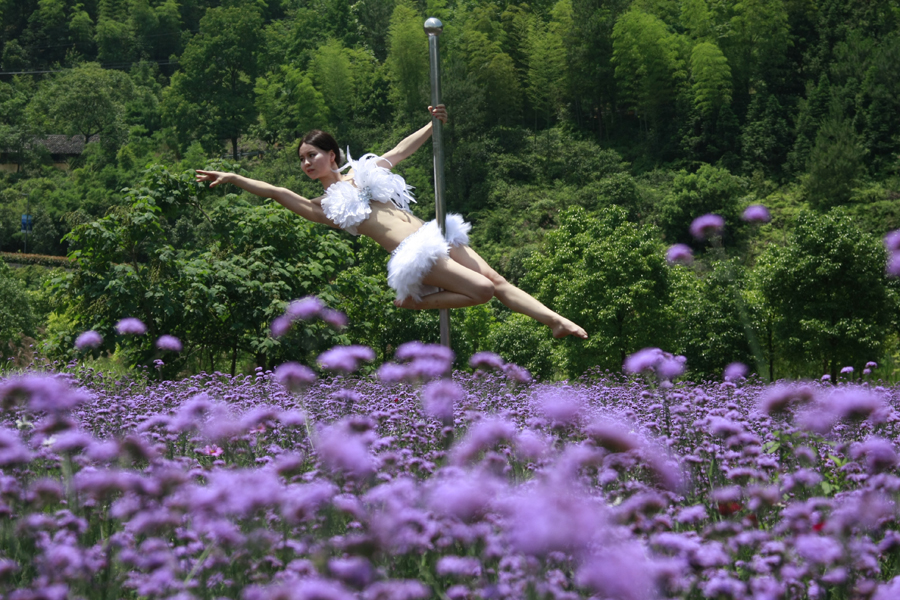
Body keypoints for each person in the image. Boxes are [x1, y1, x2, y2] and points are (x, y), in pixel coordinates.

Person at [195, 105, 588, 339]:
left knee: (497, 281)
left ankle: (555, 321)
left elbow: (401, 150)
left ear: (332, 155)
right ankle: (414, 301)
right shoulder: (325, 207)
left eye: (311, 155)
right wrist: (234, 177)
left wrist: (433, 125)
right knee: (483, 290)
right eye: (302, 159)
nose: (306, 163)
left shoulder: (363, 172)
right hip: (415, 253)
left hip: (435, 232)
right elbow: (278, 192)